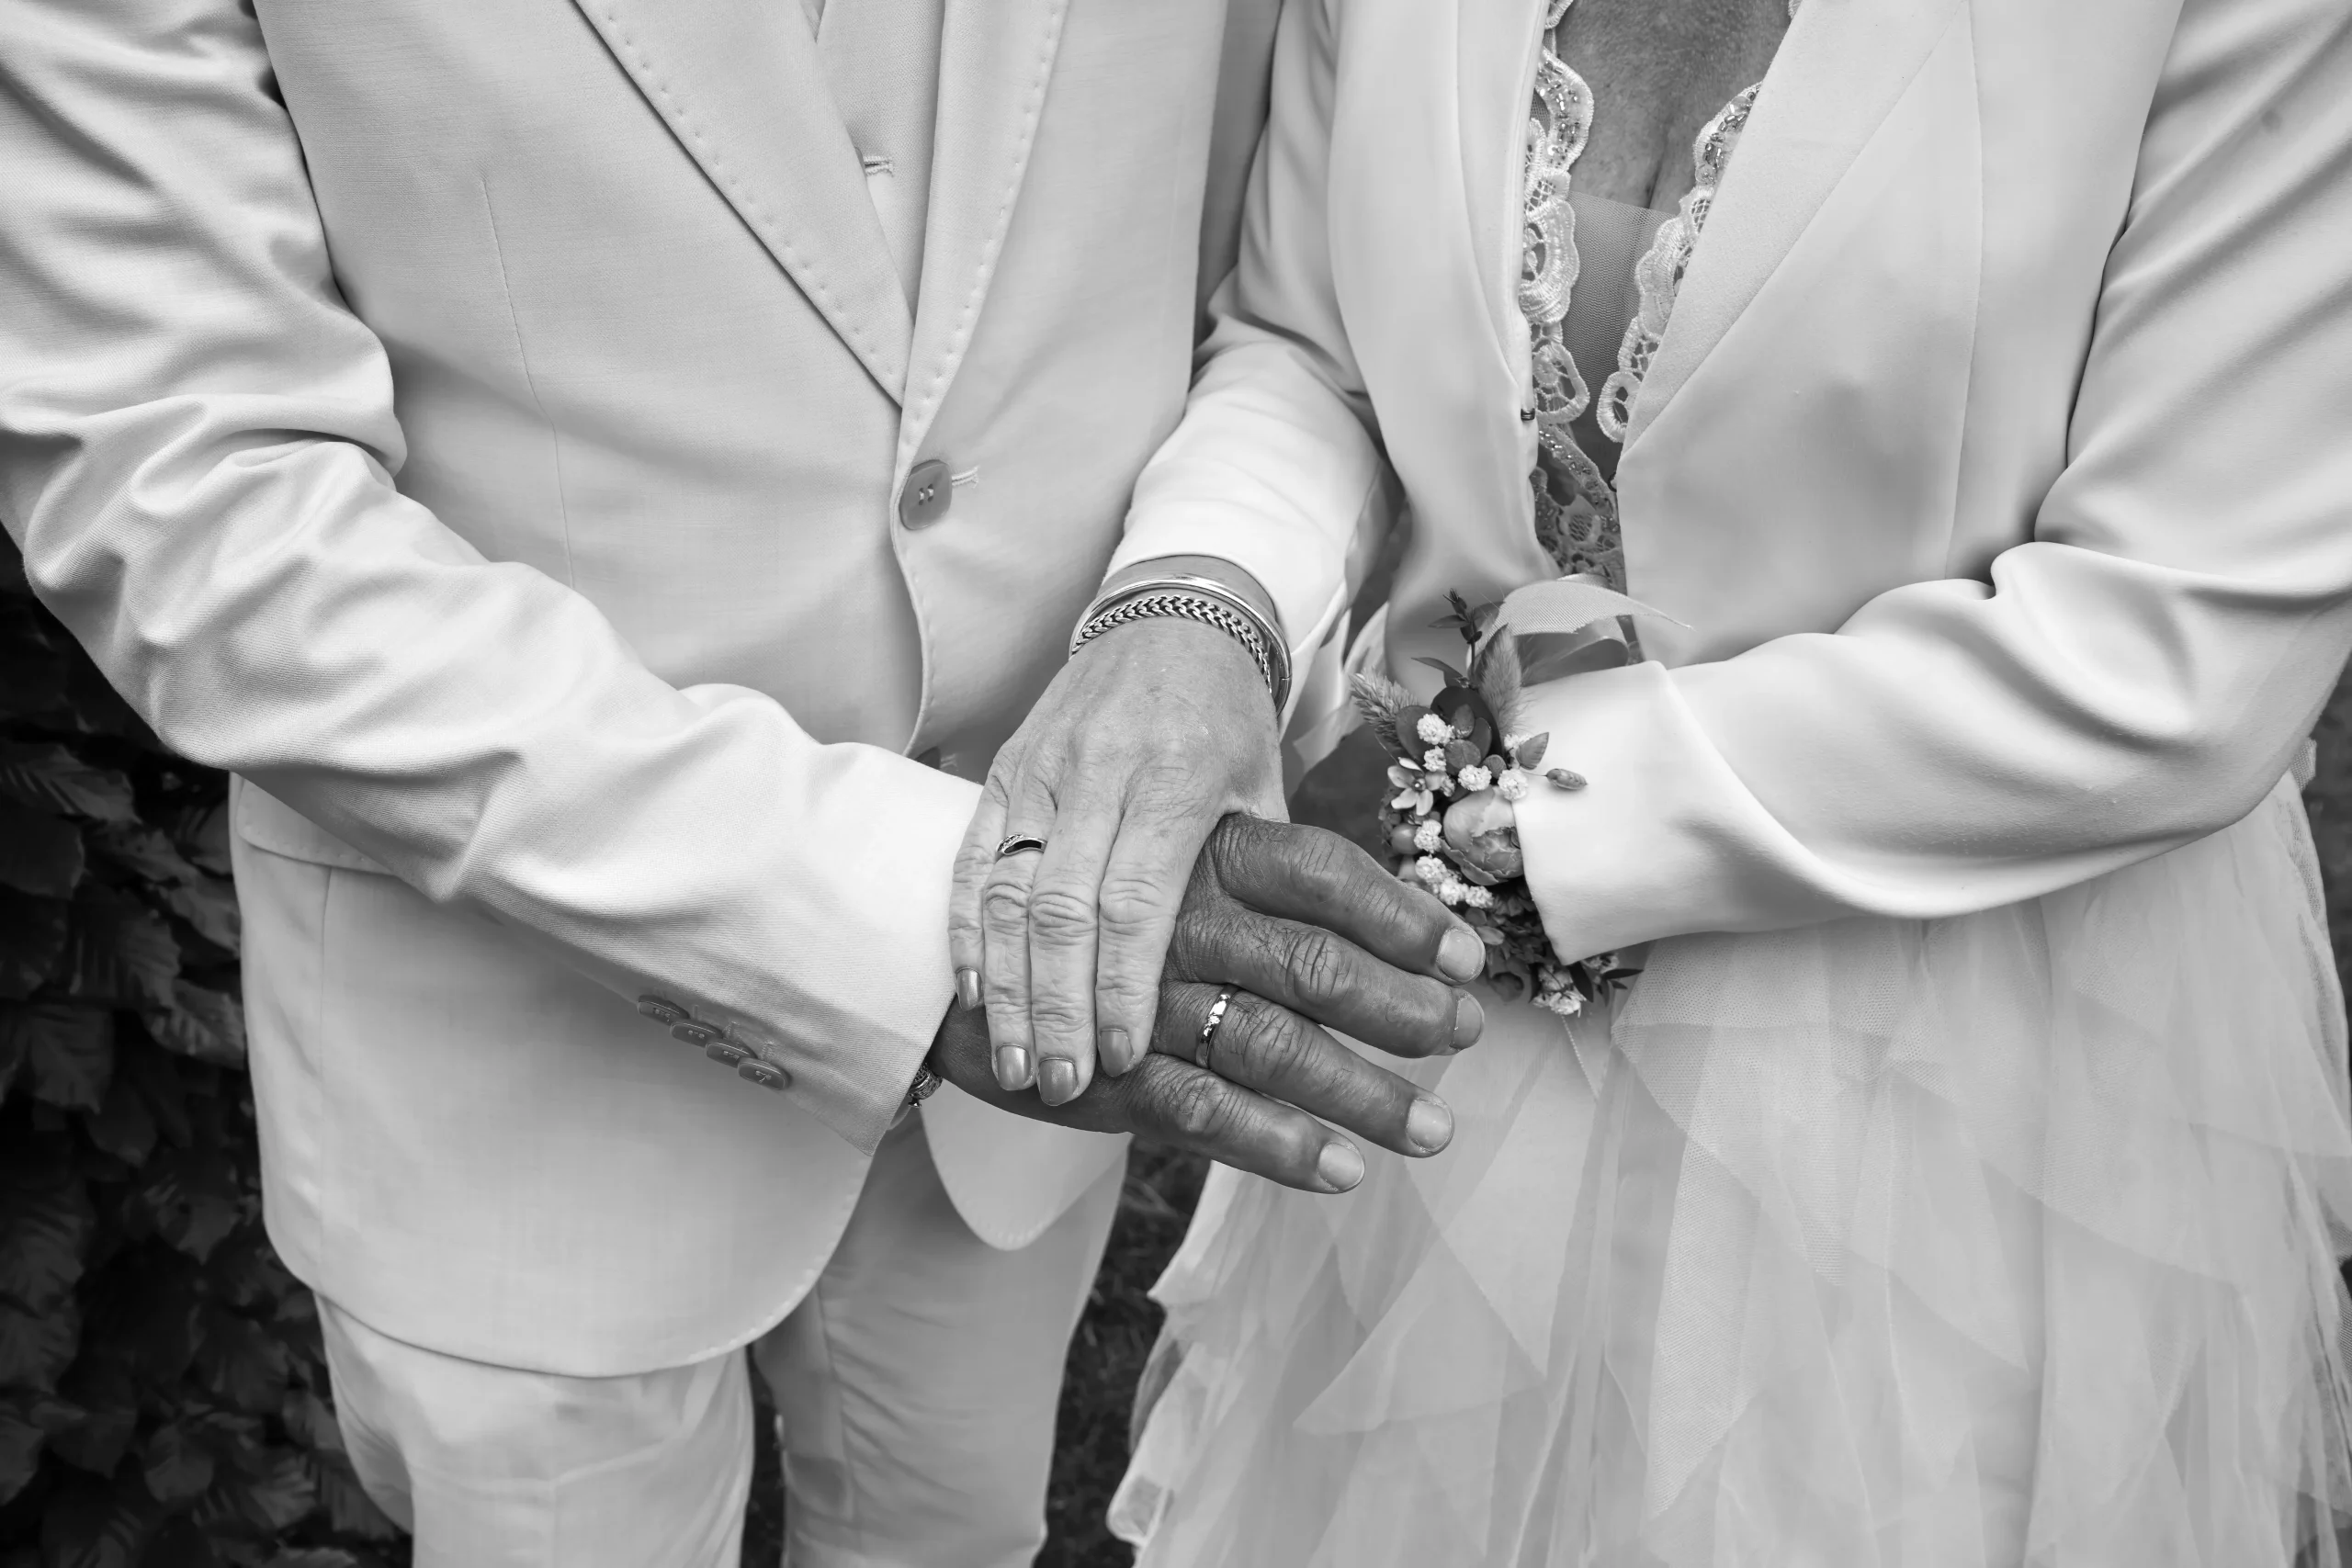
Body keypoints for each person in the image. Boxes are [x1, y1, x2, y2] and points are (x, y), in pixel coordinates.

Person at [0, 1, 1492, 1563]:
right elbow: (193, 495)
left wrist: (1206, 600)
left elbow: (1297, 289)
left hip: (1047, 1013)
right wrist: (894, 917)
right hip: (509, 1044)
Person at [963, 0, 2352, 1560]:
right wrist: (1202, 604)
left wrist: (1536, 815)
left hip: (1948, 1035)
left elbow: (2184, 638)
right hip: (1466, 1025)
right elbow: (1314, 349)